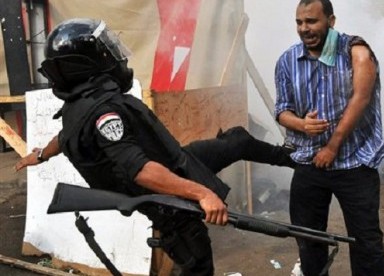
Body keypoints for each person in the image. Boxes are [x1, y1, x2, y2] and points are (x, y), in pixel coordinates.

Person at [16, 18, 294, 276]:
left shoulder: (80, 103)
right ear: (86, 63)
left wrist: (40, 154)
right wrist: (203, 193)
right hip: (168, 203)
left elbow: (65, 137)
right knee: (196, 265)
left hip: (176, 163)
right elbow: (140, 170)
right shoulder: (105, 113)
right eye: (105, 50)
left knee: (236, 142)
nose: (113, 54)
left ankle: (294, 159)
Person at [274, 1, 384, 275]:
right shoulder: (287, 61)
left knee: (366, 242)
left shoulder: (357, 53)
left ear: (331, 21)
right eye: (300, 22)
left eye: (312, 21)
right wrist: (302, 124)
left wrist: (332, 146)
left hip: (355, 163)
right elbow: (281, 111)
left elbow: (361, 99)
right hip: (309, 163)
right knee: (309, 239)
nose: (305, 29)